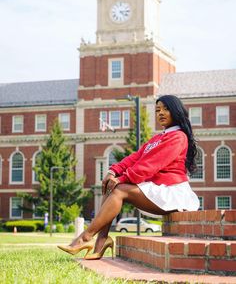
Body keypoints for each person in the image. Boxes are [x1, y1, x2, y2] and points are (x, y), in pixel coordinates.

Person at [58, 95, 200, 259]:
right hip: (157, 189)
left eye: (166, 109)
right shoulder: (158, 138)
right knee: (110, 186)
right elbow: (135, 157)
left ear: (176, 111)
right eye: (158, 110)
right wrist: (113, 171)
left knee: (119, 190)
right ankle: (101, 242)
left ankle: (84, 238)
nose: (161, 113)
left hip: (171, 193)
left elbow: (151, 165)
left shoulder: (178, 137)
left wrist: (122, 178)